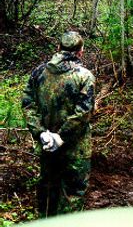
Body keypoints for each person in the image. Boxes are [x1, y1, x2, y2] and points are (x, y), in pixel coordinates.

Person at [21, 31, 96, 217]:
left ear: (58, 48)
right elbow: (83, 114)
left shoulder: (38, 72)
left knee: (48, 191)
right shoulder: (84, 76)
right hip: (75, 149)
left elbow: (27, 104)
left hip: (47, 147)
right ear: (80, 52)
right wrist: (61, 136)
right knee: (74, 194)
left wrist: (41, 133)